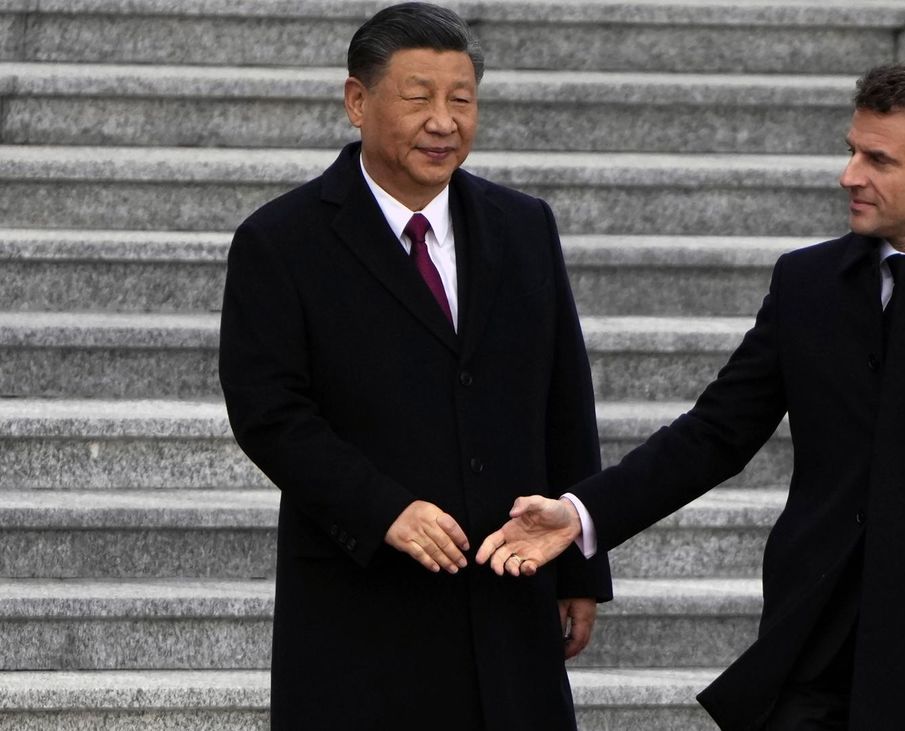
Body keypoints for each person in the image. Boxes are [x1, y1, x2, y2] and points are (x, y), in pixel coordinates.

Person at [478, 62, 905, 731]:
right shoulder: (808, 282)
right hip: (808, 642)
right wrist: (581, 513)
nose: (849, 175)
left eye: (878, 159)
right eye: (851, 150)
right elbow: (716, 431)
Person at [218, 4, 611, 728]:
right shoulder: (282, 241)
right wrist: (382, 508)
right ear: (357, 101)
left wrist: (580, 567)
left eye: (461, 99)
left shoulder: (524, 226)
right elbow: (269, 413)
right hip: (363, 600)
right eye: (418, 96)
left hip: (508, 588)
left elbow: (564, 397)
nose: (444, 121)